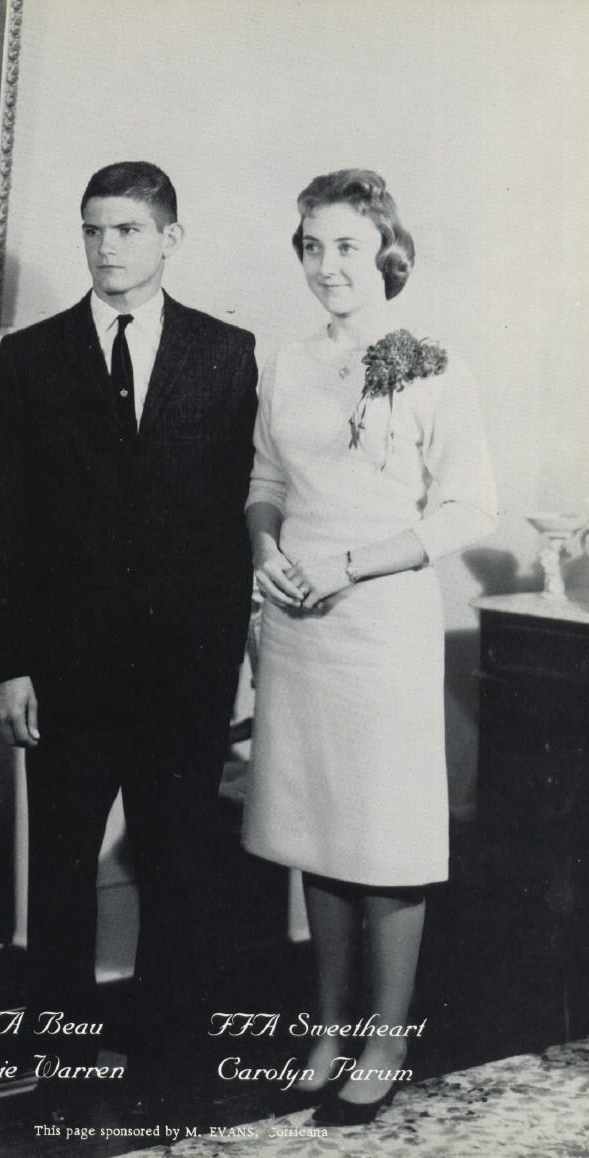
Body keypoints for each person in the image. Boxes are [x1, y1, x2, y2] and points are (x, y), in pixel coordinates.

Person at [0, 162, 258, 1119]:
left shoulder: (227, 354)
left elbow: (235, 522)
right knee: (61, 872)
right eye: (93, 230)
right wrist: (7, 665)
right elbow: (1, 524)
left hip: (185, 673)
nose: (106, 248)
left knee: (180, 868)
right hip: (66, 673)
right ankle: (63, 1069)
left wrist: (233, 659)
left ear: (170, 238)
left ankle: (173, 1068)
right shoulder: (31, 357)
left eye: (127, 230)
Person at [241, 169, 497, 1126]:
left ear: (386, 250)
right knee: (318, 824)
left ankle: (387, 1040)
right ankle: (329, 1028)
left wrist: (349, 565)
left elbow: (469, 506)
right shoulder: (288, 363)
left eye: (345, 246)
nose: (326, 265)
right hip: (296, 622)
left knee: (384, 833)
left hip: (381, 622)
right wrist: (266, 549)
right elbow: (266, 479)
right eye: (312, 246)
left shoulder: (434, 365)